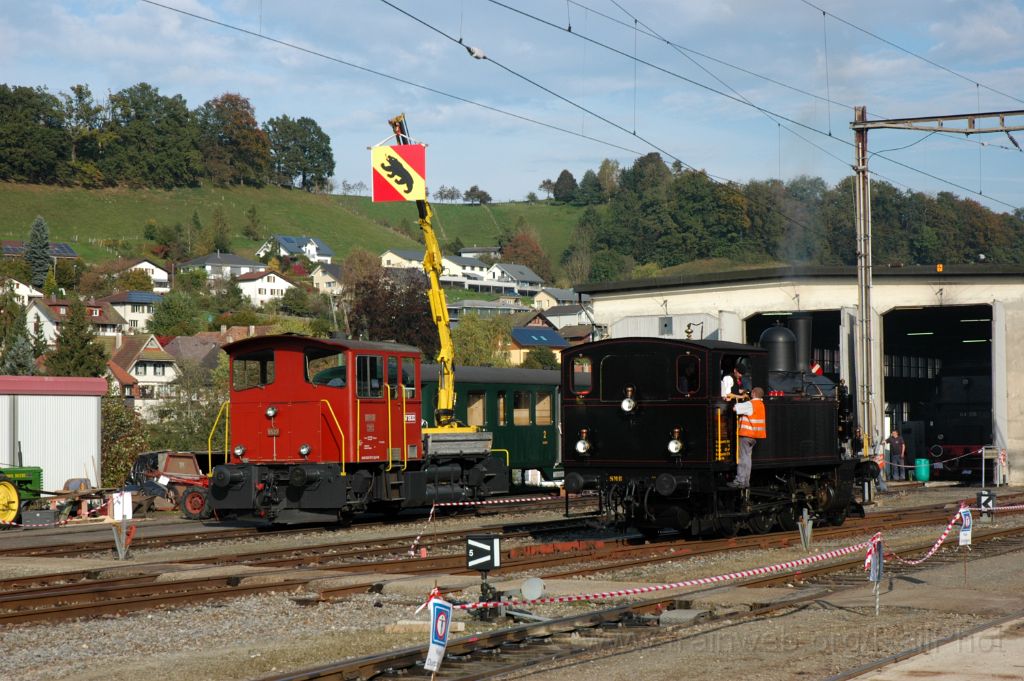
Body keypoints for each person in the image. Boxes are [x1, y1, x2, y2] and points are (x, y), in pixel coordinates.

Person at [729, 386, 765, 488]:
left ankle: (740, 481)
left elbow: (735, 408)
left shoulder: (751, 404)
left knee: (742, 459)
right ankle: (746, 482)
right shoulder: (761, 404)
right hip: (754, 437)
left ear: (753, 393)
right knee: (748, 459)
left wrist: (739, 399)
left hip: (746, 435)